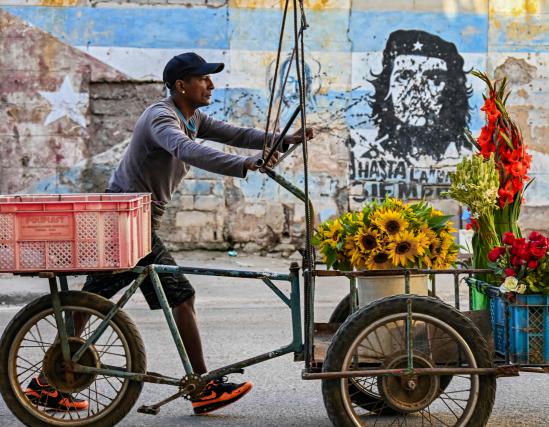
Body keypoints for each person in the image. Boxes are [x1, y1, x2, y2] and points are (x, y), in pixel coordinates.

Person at [24, 52, 314, 415]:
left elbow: (237, 133)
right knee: (180, 296)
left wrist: (284, 139)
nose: (211, 85)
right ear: (181, 85)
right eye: (203, 79)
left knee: (91, 300)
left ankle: (46, 383)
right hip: (126, 220)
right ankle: (202, 385)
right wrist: (244, 163)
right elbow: (185, 149)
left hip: (136, 218)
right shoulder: (161, 117)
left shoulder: (191, 117)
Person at [368, 29, 472, 161]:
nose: (418, 91)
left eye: (435, 79)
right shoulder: (370, 158)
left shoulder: (467, 160)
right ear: (387, 87)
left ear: (452, 92)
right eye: (405, 76)